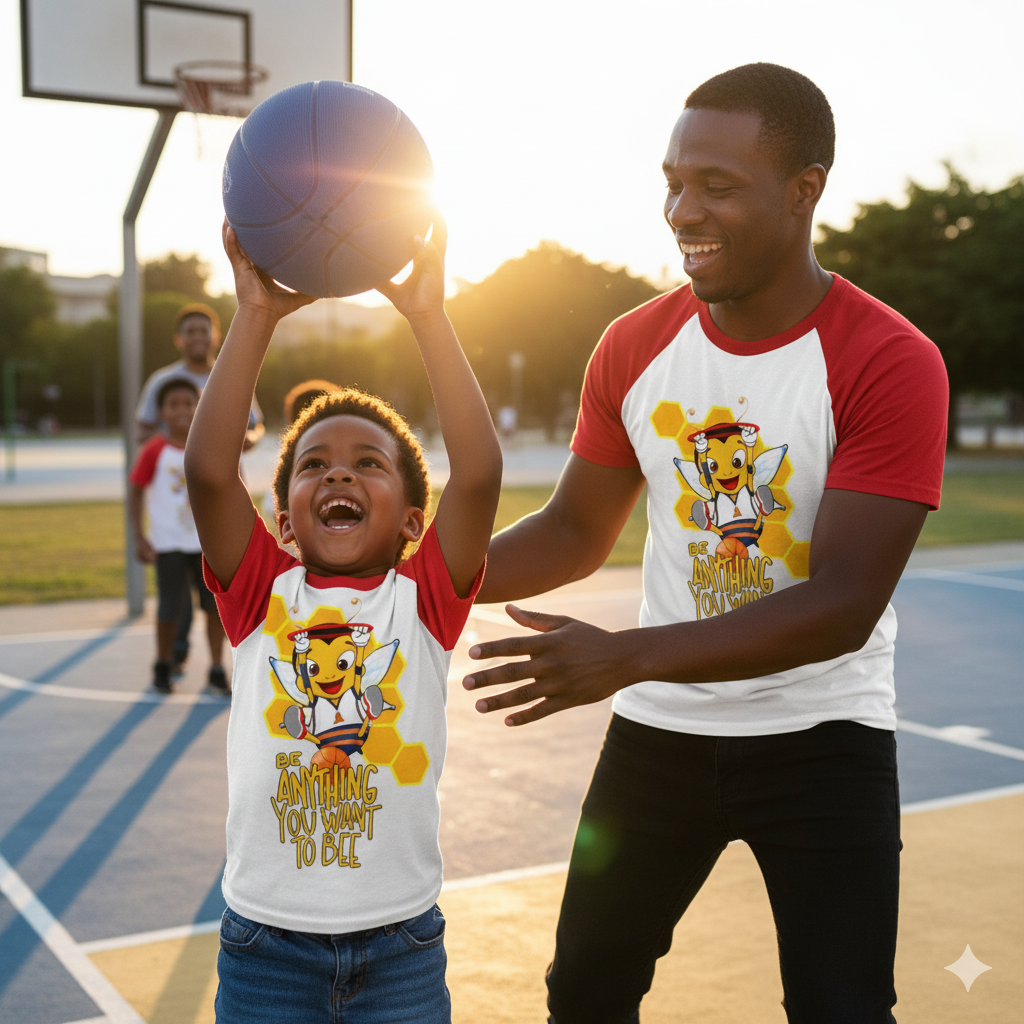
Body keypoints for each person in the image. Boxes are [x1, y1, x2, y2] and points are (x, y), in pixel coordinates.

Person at [464, 63, 948, 1024]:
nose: (684, 209)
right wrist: (405, 574)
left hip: (825, 737)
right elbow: (571, 531)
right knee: (585, 993)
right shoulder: (634, 346)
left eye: (717, 186)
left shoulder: (889, 360)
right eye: (673, 181)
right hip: (663, 737)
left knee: (842, 1007)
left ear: (805, 190)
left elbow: (844, 604)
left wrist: (626, 655)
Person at [185, 219, 501, 1023]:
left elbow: (480, 473)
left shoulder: (423, 601)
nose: (340, 473)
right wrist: (254, 312)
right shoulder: (263, 593)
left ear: (410, 519)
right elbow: (210, 470)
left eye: (369, 463)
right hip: (267, 949)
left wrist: (429, 315)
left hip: (401, 949)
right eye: (314, 465)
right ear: (285, 519)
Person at [136, 303, 265, 673]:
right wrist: (185, 434)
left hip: (220, 490)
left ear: (216, 335)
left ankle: (217, 665)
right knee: (175, 596)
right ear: (179, 338)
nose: (197, 337)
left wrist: (243, 439)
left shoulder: (230, 373)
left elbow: (255, 425)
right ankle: (175, 650)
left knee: (217, 588)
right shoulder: (164, 382)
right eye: (189, 331)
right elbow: (142, 428)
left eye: (203, 330)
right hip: (180, 499)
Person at [127, 377, 229, 695]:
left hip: (205, 543)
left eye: (188, 403)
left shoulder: (209, 447)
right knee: (169, 606)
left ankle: (215, 669)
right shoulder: (154, 450)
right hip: (168, 542)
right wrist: (139, 536)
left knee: (215, 608)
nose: (182, 410)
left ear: (199, 406)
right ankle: (162, 664)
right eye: (174, 405)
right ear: (161, 412)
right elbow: (135, 492)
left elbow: (227, 489)